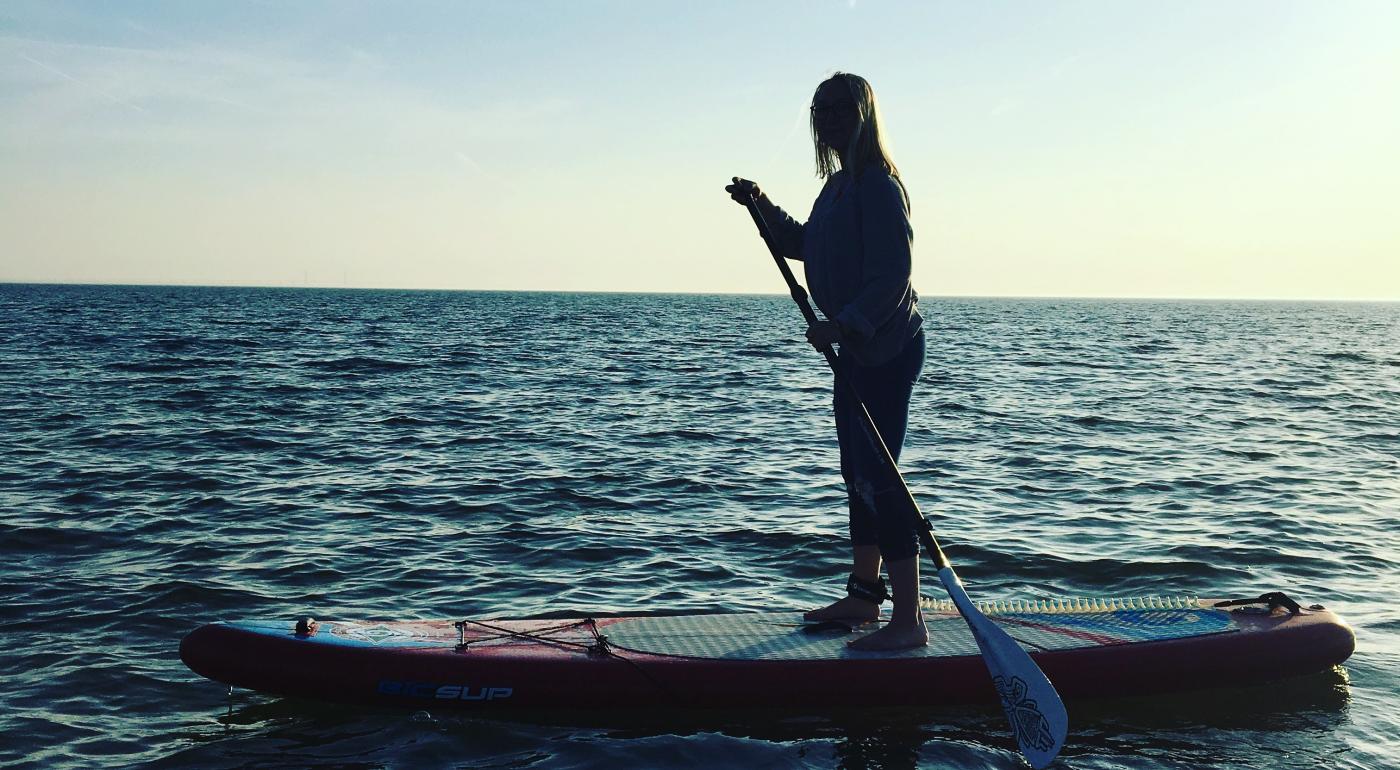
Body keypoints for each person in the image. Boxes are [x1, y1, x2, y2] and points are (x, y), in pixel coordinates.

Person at [726, 72, 927, 651]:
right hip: (853, 353)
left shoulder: (880, 187)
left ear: (863, 111)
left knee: (883, 477)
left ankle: (908, 621)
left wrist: (847, 323)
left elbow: (893, 276)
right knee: (855, 473)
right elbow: (802, 242)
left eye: (839, 107)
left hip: (885, 350)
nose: (829, 118)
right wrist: (759, 203)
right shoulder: (836, 189)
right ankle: (865, 597)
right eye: (819, 109)